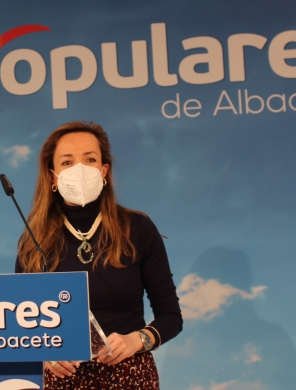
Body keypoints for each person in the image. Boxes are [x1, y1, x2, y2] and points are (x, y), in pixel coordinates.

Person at [15, 121, 182, 390]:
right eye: (67, 162)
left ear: (104, 170)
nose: (79, 169)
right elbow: (23, 327)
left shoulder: (138, 229)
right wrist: (47, 356)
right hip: (63, 380)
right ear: (52, 177)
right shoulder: (34, 241)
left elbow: (171, 317)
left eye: (90, 159)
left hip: (131, 376)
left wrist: (137, 340)